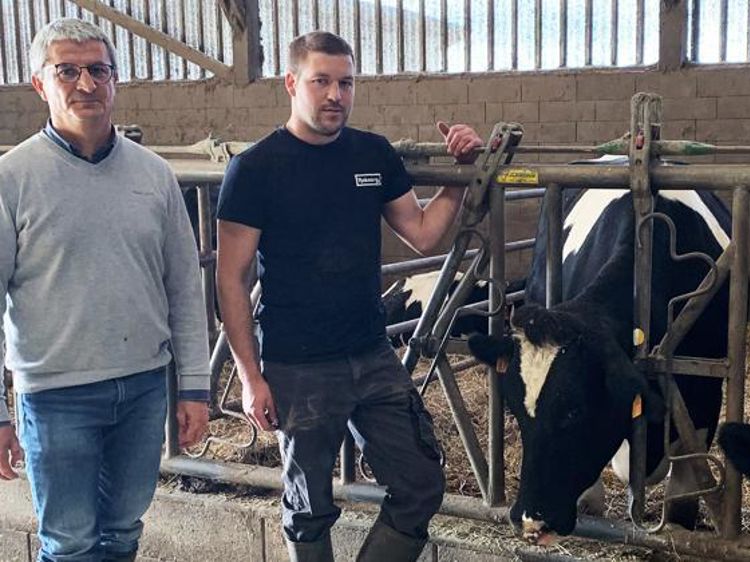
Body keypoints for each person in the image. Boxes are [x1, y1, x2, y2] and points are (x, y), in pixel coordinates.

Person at [216, 31, 483, 562]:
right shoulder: (255, 169)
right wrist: (250, 378)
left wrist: (457, 180)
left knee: (420, 483)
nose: (335, 94)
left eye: (346, 82)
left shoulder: (373, 153)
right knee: (308, 508)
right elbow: (230, 279)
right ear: (292, 84)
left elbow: (424, 235)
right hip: (298, 365)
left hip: (371, 353)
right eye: (322, 81)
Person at [0, 18, 211, 562]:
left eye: (98, 70)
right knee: (69, 543)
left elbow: (185, 286)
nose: (86, 84)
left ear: (116, 80)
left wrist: (193, 386)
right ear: (40, 84)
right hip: (54, 394)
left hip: (142, 388)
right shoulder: (12, 179)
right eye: (67, 70)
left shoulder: (154, 175)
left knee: (121, 531)